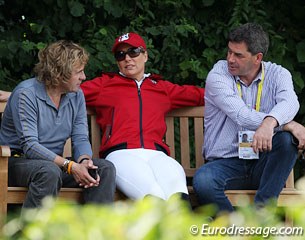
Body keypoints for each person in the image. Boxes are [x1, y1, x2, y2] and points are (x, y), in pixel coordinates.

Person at [193, 23, 305, 214]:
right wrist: (288, 124)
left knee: (286, 142)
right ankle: (237, 230)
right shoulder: (218, 75)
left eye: (238, 55)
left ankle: (260, 218)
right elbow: (241, 115)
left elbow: (291, 103)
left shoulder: (279, 74)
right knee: (203, 181)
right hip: (225, 163)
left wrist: (270, 123)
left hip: (263, 162)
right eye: (229, 52)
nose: (230, 59)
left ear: (257, 58)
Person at [80, 32, 205, 203]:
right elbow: (68, 91)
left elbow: (204, 96)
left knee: (178, 193)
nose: (127, 58)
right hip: (121, 153)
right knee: (155, 195)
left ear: (145, 55)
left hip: (157, 154)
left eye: (134, 52)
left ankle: (187, 229)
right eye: (121, 54)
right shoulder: (104, 85)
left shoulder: (161, 87)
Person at [0, 40, 116, 209]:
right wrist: (70, 166)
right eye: (79, 72)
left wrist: (84, 162)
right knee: (48, 172)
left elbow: (80, 137)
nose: (83, 77)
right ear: (59, 73)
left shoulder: (76, 95)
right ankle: (31, 233)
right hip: (15, 163)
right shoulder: (26, 94)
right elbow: (30, 146)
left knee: (104, 169)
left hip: (55, 165)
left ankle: (95, 232)